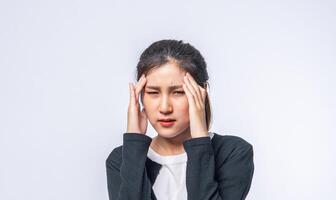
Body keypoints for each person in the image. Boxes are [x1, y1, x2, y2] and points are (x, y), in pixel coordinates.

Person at [105, 39, 254, 200]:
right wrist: (133, 143)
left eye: (178, 92)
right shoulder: (121, 159)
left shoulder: (232, 153)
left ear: (201, 93)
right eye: (153, 93)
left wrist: (199, 140)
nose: (164, 108)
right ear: (140, 96)